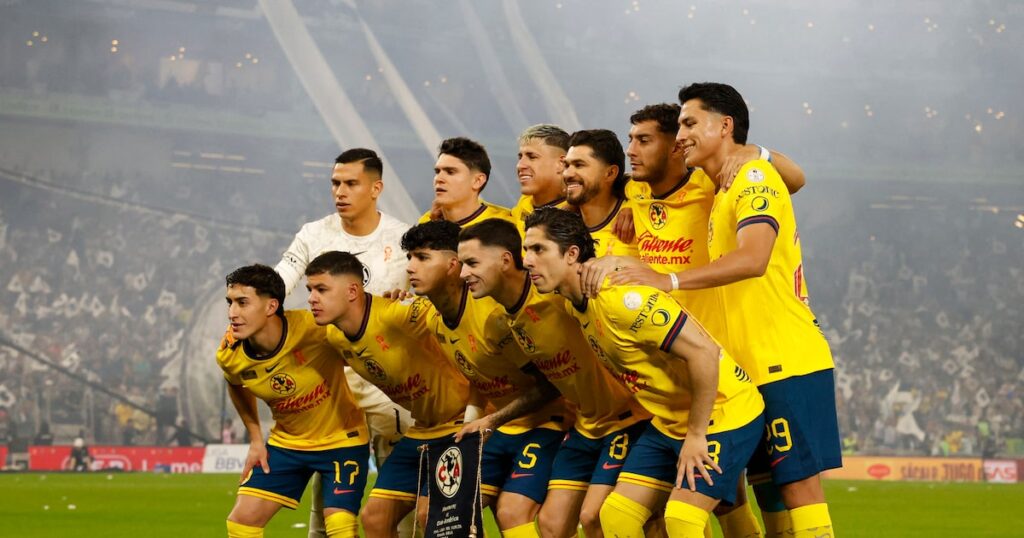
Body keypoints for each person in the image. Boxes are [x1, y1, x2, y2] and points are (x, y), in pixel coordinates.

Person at [584, 102, 809, 536]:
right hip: (677, 363)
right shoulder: (635, 192)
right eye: (630, 140)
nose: (631, 150)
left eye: (643, 140)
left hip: (728, 354)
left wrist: (755, 153)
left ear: (676, 147)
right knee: (722, 501)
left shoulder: (710, 181)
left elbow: (795, 180)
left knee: (766, 488)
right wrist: (626, 208)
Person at [523, 207, 765, 538]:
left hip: (723, 413)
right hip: (669, 421)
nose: (528, 260)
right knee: (616, 517)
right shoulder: (574, 303)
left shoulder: (622, 300)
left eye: (539, 249)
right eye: (526, 250)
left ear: (572, 254)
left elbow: (705, 353)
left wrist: (696, 435)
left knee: (682, 520)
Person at [669, 82, 842, 537]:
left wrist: (670, 281)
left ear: (725, 125)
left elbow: (753, 258)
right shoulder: (722, 188)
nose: (680, 135)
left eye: (689, 123)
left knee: (798, 487)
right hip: (748, 368)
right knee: (769, 493)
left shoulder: (753, 177)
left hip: (784, 358)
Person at [457, 218, 650, 538]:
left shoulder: (557, 293)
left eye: (472, 263)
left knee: (597, 517)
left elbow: (623, 282)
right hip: (585, 425)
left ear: (505, 260)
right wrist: (492, 419)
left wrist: (615, 261)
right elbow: (545, 385)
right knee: (551, 524)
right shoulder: (500, 324)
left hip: (631, 418)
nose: (463, 273)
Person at [273, 148, 414, 538]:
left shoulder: (403, 238)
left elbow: (426, 296)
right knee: (328, 504)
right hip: (333, 381)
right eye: (336, 183)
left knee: (401, 501)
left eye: (351, 183)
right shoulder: (314, 234)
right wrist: (259, 301)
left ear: (376, 188)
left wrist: (409, 301)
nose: (340, 191)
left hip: (390, 382)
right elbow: (281, 278)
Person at [402, 220, 569, 538]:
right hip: (499, 428)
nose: (410, 267)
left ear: (452, 265)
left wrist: (491, 420)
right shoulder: (437, 322)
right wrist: (473, 422)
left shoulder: (494, 316)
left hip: (546, 423)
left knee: (512, 512)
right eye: (409, 258)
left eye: (421, 257)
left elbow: (548, 385)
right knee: (432, 511)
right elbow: (479, 376)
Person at [303, 250, 474, 537]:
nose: (311, 298)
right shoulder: (335, 336)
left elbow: (459, 311)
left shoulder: (397, 313)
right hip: (423, 429)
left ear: (352, 291)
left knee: (433, 515)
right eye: (310, 290)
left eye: (321, 289)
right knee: (375, 519)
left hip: (463, 423)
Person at [217, 264, 370, 538]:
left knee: (341, 528)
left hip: (342, 440)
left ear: (271, 306)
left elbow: (359, 334)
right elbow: (236, 384)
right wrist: (255, 439)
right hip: (287, 444)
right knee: (241, 522)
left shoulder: (313, 328)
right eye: (230, 302)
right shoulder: (230, 355)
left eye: (242, 302)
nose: (232, 313)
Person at [563, 129, 638, 257]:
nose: (567, 174)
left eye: (579, 165)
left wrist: (637, 208)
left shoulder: (639, 220)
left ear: (610, 173)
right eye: (567, 165)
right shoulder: (560, 230)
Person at [421, 137, 514, 227]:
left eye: (450, 172)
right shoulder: (428, 221)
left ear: (478, 181)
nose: (438, 179)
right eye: (437, 172)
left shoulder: (505, 226)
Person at [510, 124, 571, 236]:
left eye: (532, 157)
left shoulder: (580, 215)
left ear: (561, 163)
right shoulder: (524, 202)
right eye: (520, 157)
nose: (520, 165)